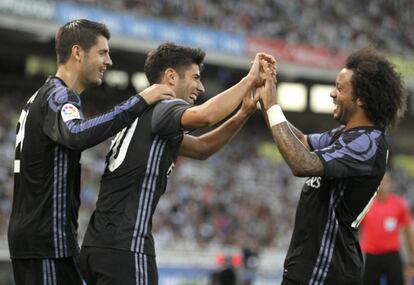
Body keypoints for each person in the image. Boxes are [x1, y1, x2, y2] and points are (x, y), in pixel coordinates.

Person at [79, 42, 275, 285]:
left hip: (96, 246)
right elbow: (205, 116)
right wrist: (249, 80)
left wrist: (243, 113)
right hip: (127, 246)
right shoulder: (163, 106)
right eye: (195, 77)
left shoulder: (141, 116)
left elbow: (202, 149)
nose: (200, 87)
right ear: (171, 76)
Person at [8, 19, 174, 285]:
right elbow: (77, 134)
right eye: (102, 52)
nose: (108, 61)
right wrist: (141, 100)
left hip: (43, 240)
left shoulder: (45, 95)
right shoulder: (59, 96)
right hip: (45, 242)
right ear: (77, 52)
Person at [258, 46, 407, 284]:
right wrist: (265, 98)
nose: (332, 94)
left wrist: (272, 106)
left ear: (362, 99)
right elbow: (302, 143)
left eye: (339, 88)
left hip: (327, 270)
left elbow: (301, 163)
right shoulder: (347, 135)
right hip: (310, 266)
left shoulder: (366, 144)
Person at [360, 171, 414, 285]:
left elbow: (408, 232)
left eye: (385, 182)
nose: (382, 186)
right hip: (371, 256)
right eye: (379, 182)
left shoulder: (399, 204)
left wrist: (412, 260)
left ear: (390, 183)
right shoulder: (366, 205)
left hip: (392, 255)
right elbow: (356, 232)